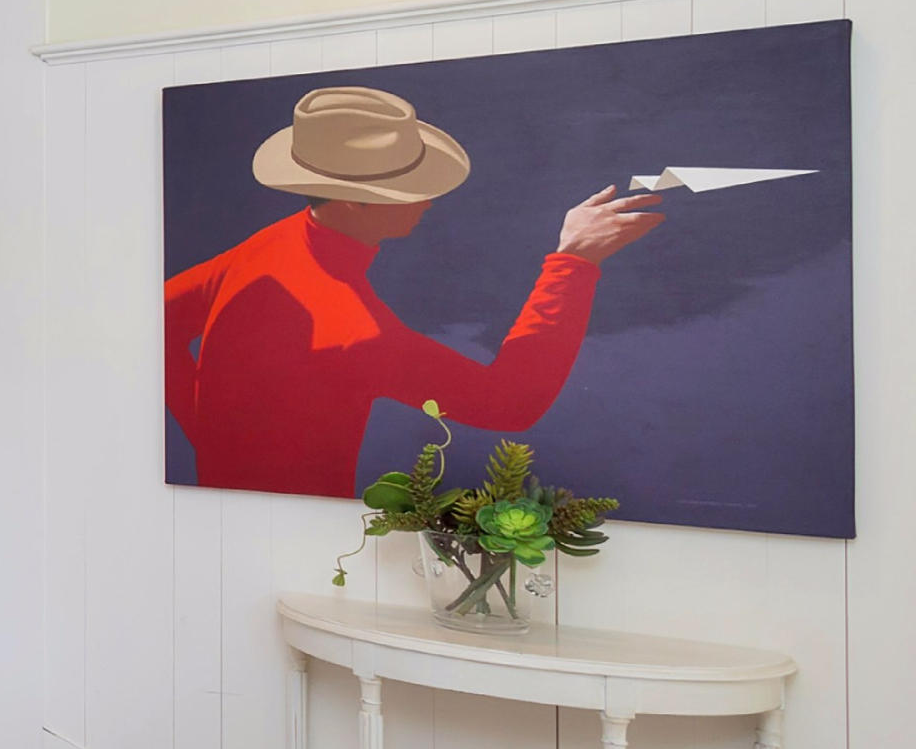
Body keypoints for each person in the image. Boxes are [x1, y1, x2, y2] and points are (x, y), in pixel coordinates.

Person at [164, 85, 663, 497]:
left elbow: (160, 317)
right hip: (304, 528)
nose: (427, 201)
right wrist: (574, 262)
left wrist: (209, 439)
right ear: (349, 202)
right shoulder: (355, 331)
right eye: (406, 189)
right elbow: (510, 402)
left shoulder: (269, 244)